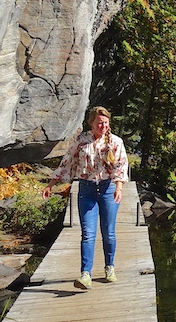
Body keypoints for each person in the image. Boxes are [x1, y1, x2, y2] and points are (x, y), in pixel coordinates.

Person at [43, 106, 129, 290]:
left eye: (105, 123)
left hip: (107, 189)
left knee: (109, 232)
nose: (103, 126)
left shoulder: (115, 142)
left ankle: (109, 267)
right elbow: (67, 162)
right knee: (88, 234)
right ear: (91, 123)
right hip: (86, 190)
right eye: (99, 123)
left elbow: (120, 166)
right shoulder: (81, 141)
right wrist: (51, 184)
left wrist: (119, 187)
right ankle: (85, 274)